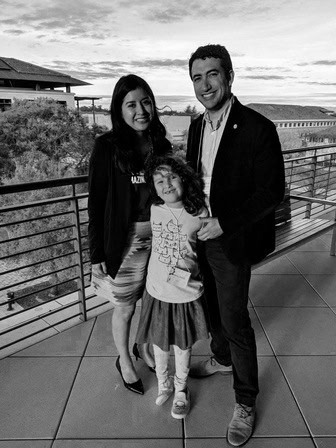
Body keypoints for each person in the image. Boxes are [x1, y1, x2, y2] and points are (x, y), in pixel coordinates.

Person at [186, 44, 285, 446]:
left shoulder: (258, 128)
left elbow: (271, 192)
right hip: (199, 236)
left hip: (231, 239)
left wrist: (223, 223)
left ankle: (245, 400)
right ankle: (222, 357)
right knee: (209, 307)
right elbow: (196, 179)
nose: (205, 84)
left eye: (212, 74)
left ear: (228, 76)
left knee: (234, 319)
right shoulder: (196, 127)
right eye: (197, 77)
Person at [88, 74, 171, 395]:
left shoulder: (160, 145)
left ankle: (143, 347)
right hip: (126, 245)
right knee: (125, 306)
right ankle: (124, 360)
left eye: (146, 101)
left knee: (152, 303)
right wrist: (96, 256)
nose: (141, 110)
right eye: (131, 104)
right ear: (118, 109)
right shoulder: (107, 147)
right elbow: (96, 205)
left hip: (161, 240)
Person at [136, 155, 209, 419]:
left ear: (184, 179)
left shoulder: (200, 212)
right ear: (153, 188)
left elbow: (209, 251)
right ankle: (163, 382)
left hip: (185, 294)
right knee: (159, 343)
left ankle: (181, 389)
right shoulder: (154, 208)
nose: (166, 184)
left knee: (182, 345)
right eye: (159, 180)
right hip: (156, 291)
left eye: (172, 177)